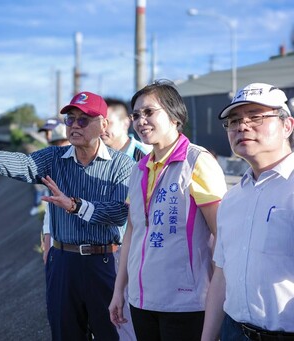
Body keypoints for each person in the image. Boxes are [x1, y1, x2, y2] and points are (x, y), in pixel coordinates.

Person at [0, 91, 135, 340]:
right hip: (62, 261)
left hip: (103, 262)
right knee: (64, 331)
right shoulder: (54, 158)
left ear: (103, 124)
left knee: (110, 332)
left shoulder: (122, 165)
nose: (74, 125)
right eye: (70, 119)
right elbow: (24, 164)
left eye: (83, 120)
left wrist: (75, 205)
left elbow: (119, 213)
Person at [108, 79, 227, 340]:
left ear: (175, 117)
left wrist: (219, 299)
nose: (141, 121)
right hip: (141, 301)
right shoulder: (139, 169)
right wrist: (120, 291)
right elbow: (132, 233)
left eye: (149, 112)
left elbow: (224, 235)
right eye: (136, 115)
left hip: (186, 304)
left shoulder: (197, 162)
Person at [201, 83, 294, 340]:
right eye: (234, 121)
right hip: (234, 331)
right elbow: (221, 275)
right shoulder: (231, 199)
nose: (242, 126)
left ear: (287, 126)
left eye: (256, 117)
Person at [103, 97, 150, 341]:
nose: (102, 129)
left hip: (135, 253)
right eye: (97, 122)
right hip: (103, 256)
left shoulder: (144, 158)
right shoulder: (96, 158)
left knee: (132, 321)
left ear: (126, 123)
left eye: (107, 122)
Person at [36, 118, 70, 264]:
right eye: (46, 132)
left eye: (51, 131)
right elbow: (51, 207)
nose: (48, 135)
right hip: (59, 241)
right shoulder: (54, 159)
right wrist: (47, 237)